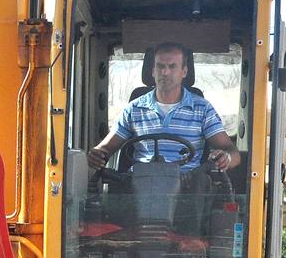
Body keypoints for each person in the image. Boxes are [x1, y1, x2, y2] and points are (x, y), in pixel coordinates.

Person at [87, 42, 241, 173]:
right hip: (139, 187)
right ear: (153, 71)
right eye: (160, 66)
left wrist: (226, 158)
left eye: (172, 66)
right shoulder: (133, 109)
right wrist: (97, 155)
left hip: (188, 191)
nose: (165, 72)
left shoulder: (202, 109)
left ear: (184, 71)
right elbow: (106, 149)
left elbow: (232, 152)